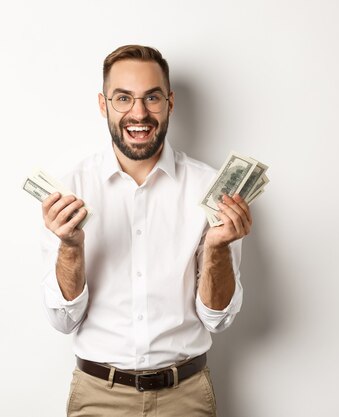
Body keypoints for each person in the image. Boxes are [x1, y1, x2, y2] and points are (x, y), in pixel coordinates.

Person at [39, 45, 252, 417]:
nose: (139, 113)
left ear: (169, 102)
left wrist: (217, 248)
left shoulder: (209, 188)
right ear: (104, 105)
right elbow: (63, 320)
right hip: (98, 398)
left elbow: (217, 320)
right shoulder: (68, 194)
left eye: (151, 98)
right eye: (124, 98)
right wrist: (70, 246)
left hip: (185, 397)